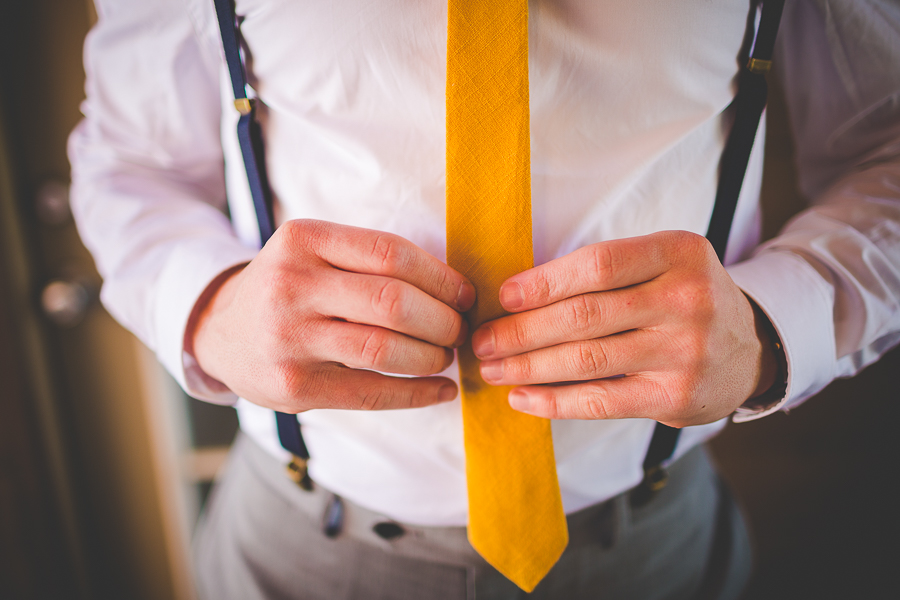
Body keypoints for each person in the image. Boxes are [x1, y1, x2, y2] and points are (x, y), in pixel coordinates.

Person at [68, 0, 900, 598]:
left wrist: (769, 328)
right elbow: (131, 163)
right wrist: (210, 312)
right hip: (296, 557)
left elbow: (887, 146)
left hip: (659, 550)